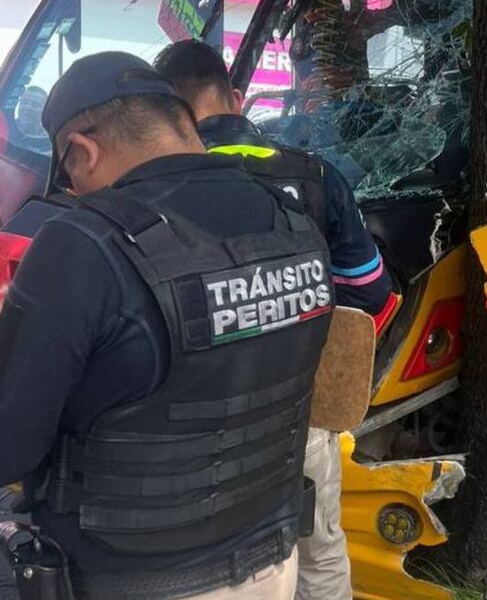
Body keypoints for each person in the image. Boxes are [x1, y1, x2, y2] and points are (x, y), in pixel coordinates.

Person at [0, 51, 334, 599]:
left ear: (82, 152)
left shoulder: (80, 244)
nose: (74, 194)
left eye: (66, 177)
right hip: (272, 566)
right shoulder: (293, 220)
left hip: (132, 581)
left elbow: (10, 445)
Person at [154, 39, 396, 600]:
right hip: (299, 409)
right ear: (236, 98)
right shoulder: (314, 177)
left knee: (206, 571)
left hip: (182, 421)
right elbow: (371, 294)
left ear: (160, 113)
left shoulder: (147, 189)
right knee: (318, 549)